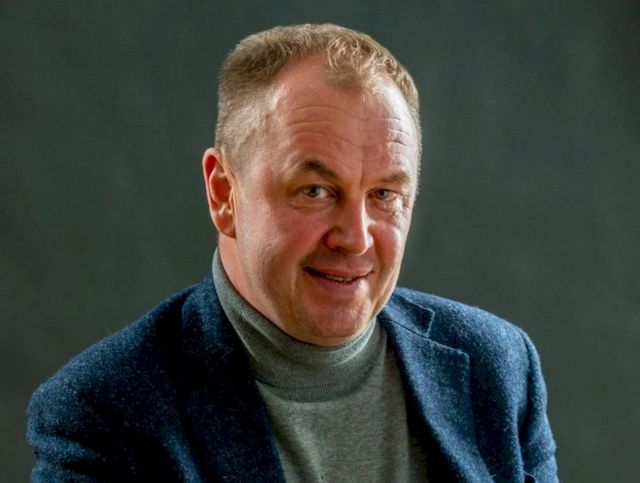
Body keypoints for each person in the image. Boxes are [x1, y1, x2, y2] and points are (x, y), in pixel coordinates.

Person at [27, 24, 558, 482]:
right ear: (223, 192)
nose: (356, 238)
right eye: (315, 191)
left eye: (384, 195)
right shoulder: (105, 413)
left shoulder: (498, 367)